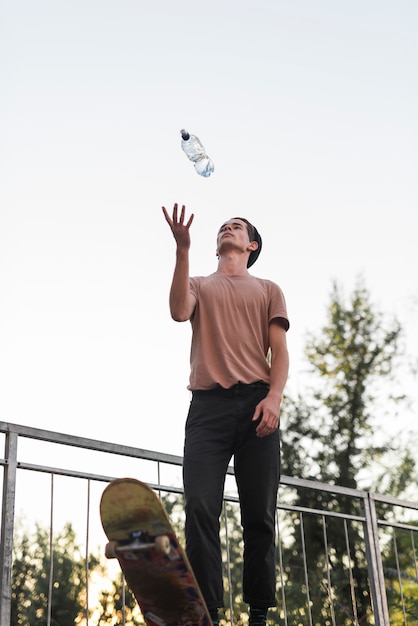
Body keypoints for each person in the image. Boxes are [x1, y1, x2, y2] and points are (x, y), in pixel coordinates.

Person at [162, 203, 290, 626]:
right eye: (223, 226)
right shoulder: (198, 283)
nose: (227, 227)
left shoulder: (269, 289)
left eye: (237, 226)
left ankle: (257, 613)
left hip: (258, 406)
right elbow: (180, 311)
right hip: (208, 409)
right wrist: (182, 250)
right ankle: (209, 613)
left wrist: (274, 398)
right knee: (199, 506)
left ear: (251, 245)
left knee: (260, 515)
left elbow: (280, 351)